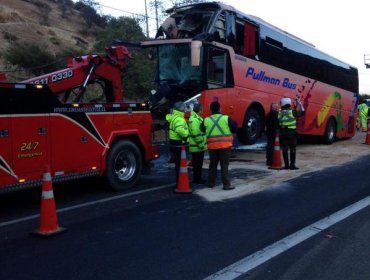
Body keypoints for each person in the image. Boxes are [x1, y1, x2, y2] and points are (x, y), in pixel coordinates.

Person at [201, 101, 237, 190]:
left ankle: (211, 183)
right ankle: (226, 185)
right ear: (219, 109)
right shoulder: (226, 118)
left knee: (213, 165)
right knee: (224, 165)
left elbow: (201, 129)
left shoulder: (206, 120)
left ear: (211, 110)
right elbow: (234, 128)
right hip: (225, 146)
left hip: (212, 147)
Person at [278, 96, 305, 170]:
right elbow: (303, 112)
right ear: (289, 103)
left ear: (282, 104)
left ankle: (286, 165)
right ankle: (292, 165)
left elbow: (278, 122)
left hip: (283, 133)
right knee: (292, 149)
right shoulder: (292, 111)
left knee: (285, 149)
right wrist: (299, 103)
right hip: (292, 133)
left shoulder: (280, 113)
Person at [167, 102, 189, 185]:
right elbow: (179, 130)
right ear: (181, 109)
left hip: (174, 143)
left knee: (178, 164)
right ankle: (180, 182)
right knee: (180, 165)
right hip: (178, 144)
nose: (185, 110)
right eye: (184, 108)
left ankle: (179, 182)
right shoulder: (179, 118)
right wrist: (186, 134)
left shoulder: (174, 117)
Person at [188, 103, 207, 184]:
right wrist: (201, 145)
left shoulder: (195, 118)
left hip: (197, 146)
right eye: (202, 109)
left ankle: (198, 179)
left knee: (198, 164)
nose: (202, 111)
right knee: (197, 165)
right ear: (200, 110)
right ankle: (197, 179)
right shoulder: (194, 120)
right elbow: (196, 134)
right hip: (197, 147)